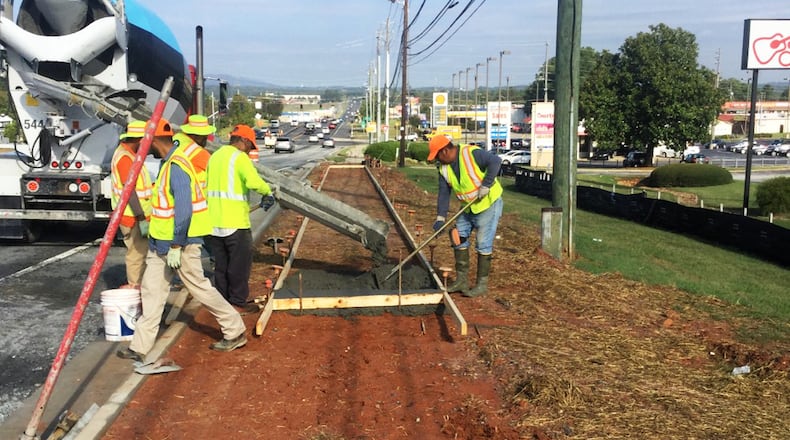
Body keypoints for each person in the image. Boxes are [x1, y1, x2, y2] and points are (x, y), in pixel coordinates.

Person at [117, 118, 247, 363]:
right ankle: (140, 346)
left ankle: (235, 329)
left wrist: (177, 245)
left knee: (200, 288)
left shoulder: (177, 166)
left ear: (155, 140)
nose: (144, 149)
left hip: (181, 244)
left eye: (146, 144)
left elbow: (184, 210)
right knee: (152, 291)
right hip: (160, 243)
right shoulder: (167, 164)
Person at [206, 124, 275, 314]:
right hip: (235, 222)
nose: (250, 150)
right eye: (250, 146)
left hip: (214, 222)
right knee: (239, 266)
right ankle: (237, 302)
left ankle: (223, 304)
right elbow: (253, 182)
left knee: (221, 266)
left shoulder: (215, 156)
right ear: (243, 141)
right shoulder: (239, 158)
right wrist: (268, 192)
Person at [427, 135, 503, 297]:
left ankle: (481, 285)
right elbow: (443, 193)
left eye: (437, 155)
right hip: (468, 208)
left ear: (445, 151)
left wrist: (486, 184)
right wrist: (440, 218)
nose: (437, 160)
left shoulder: (471, 154)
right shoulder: (444, 168)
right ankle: (462, 280)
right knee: (456, 236)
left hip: (488, 204)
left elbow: (496, 161)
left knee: (483, 244)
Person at [110, 120, 153, 289]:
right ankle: (135, 287)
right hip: (132, 217)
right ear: (138, 140)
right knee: (137, 254)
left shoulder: (128, 155)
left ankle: (139, 286)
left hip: (134, 214)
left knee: (141, 254)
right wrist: (141, 217)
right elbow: (130, 191)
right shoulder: (125, 158)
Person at [173, 114, 214, 190]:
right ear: (196, 136)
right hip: (191, 194)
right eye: (205, 136)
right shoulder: (200, 153)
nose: (206, 138)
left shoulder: (176, 138)